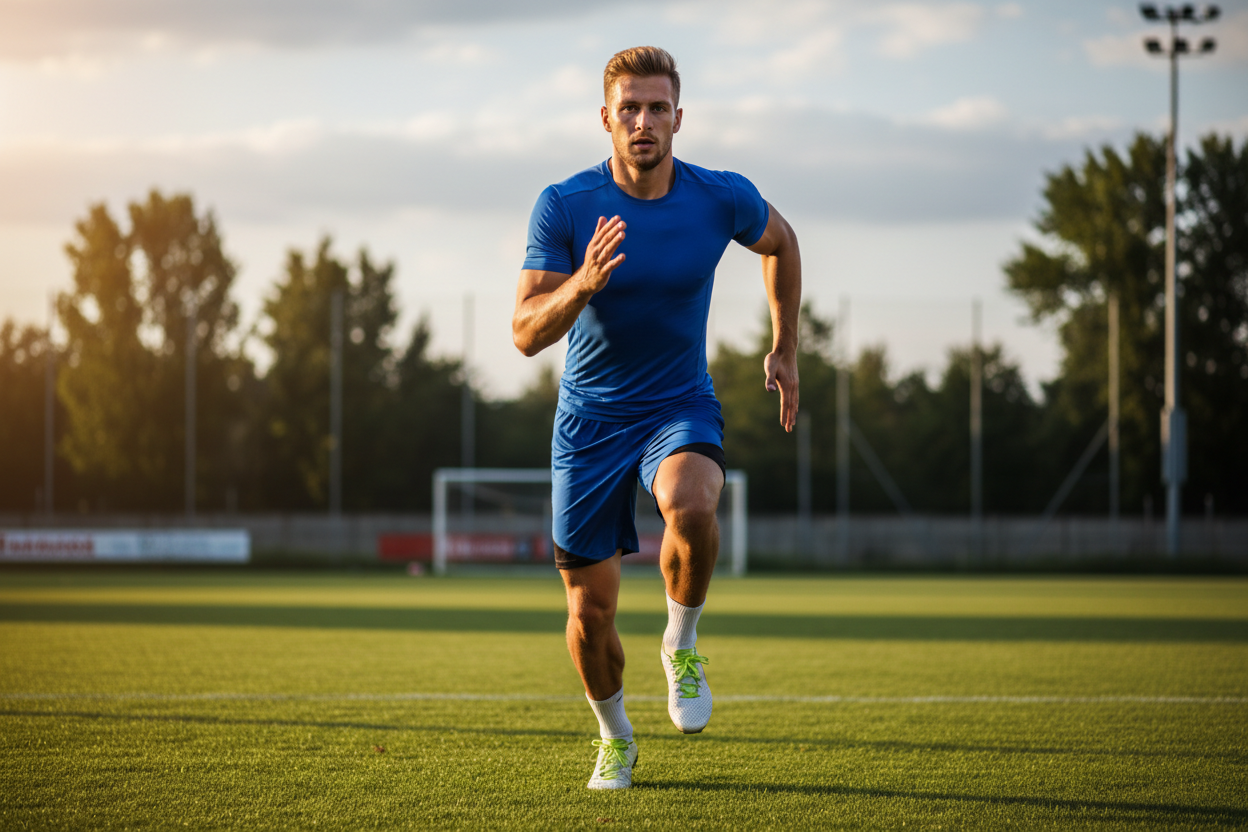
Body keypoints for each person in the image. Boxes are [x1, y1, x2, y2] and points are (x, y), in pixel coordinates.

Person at [512, 45, 801, 790]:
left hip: (678, 404)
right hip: (590, 425)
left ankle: (682, 640)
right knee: (589, 618)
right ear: (605, 119)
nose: (643, 121)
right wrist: (582, 282)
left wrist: (785, 346)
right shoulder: (567, 205)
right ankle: (615, 737)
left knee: (693, 501)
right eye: (629, 109)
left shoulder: (718, 196)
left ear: (679, 117)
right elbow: (523, 334)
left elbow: (782, 242)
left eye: (657, 108)